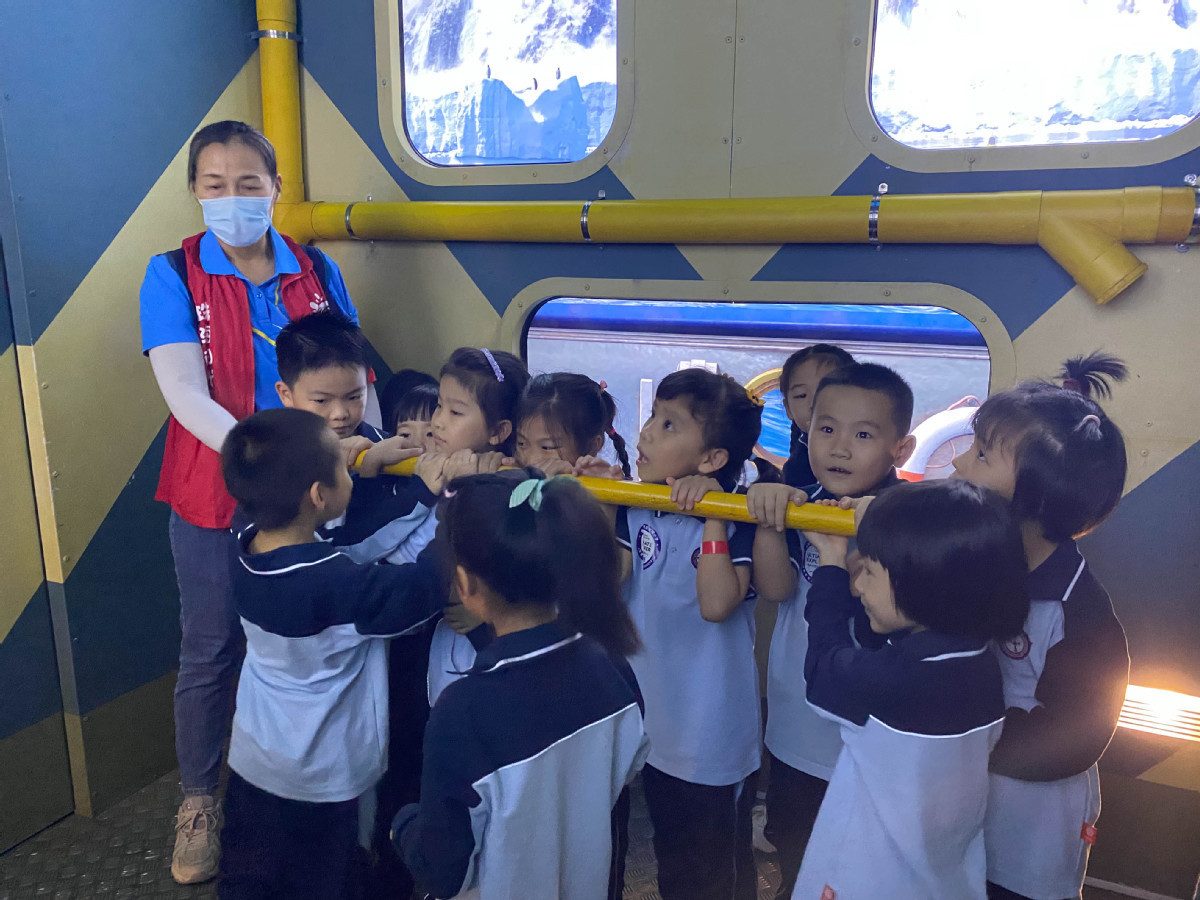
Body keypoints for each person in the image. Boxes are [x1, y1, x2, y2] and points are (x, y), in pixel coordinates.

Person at [138, 119, 369, 884]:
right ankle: (200, 802)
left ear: (274, 189)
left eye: (249, 183)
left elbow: (350, 371)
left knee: (313, 639)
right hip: (214, 492)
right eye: (215, 185)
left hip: (313, 491)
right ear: (195, 191)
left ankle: (315, 786)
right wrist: (268, 459)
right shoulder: (173, 274)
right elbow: (184, 393)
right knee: (211, 649)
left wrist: (363, 447)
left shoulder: (315, 268)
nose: (232, 197)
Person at [216, 408, 444, 900]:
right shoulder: (337, 586)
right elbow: (422, 588)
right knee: (327, 881)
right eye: (342, 464)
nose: (352, 460)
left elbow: (349, 545)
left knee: (253, 877)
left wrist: (386, 476)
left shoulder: (245, 538)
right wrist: (452, 507)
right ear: (319, 496)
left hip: (255, 760)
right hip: (323, 777)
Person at [392, 470, 647, 900]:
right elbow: (628, 765)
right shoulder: (613, 664)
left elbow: (443, 871)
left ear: (465, 585)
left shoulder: (463, 710)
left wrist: (403, 824)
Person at [793, 480, 1029, 899]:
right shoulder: (980, 664)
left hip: (863, 881)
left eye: (870, 570)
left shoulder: (893, 680)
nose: (858, 585)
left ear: (923, 587)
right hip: (943, 878)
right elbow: (885, 636)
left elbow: (821, 666)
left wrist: (830, 564)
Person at [950, 353, 1131, 900]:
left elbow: (1076, 737)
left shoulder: (1079, 613)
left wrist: (958, 730)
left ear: (1037, 497)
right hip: (962, 804)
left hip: (1031, 826)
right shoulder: (972, 565)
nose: (958, 462)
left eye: (982, 454)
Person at [589, 368, 763, 900]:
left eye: (668, 425)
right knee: (673, 857)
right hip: (654, 721)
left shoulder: (738, 514)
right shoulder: (640, 502)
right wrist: (603, 503)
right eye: (651, 418)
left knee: (712, 871)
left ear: (712, 459)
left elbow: (717, 605)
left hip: (709, 732)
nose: (645, 432)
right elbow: (607, 586)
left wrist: (713, 516)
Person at [748, 362, 915, 897]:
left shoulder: (915, 521)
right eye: (826, 428)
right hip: (794, 726)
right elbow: (776, 590)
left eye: (863, 435)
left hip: (869, 740)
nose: (839, 448)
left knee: (862, 872)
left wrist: (880, 531)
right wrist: (772, 521)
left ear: (901, 450)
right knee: (797, 858)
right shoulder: (803, 501)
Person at [513, 372, 632, 477]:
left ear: (593, 445)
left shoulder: (602, 489)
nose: (531, 460)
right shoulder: (511, 472)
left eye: (547, 447)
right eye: (521, 443)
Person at [776, 344, 855, 488]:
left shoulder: (869, 447)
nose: (813, 404)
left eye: (825, 391)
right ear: (788, 409)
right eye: (801, 395)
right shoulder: (795, 466)